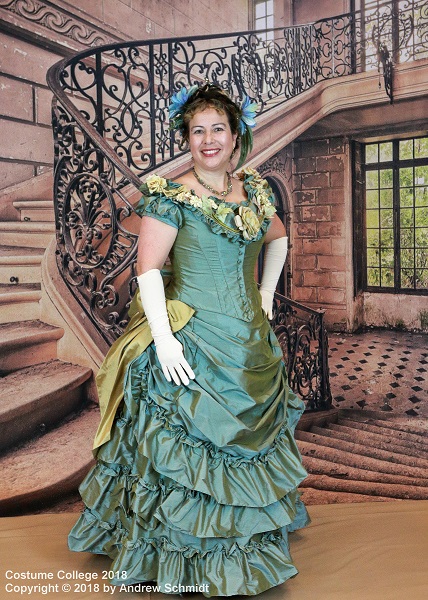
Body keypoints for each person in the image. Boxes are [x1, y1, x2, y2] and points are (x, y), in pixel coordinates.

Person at [68, 83, 310, 596]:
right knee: (187, 456)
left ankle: (244, 544)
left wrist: (266, 294)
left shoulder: (255, 190)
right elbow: (148, 270)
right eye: (197, 131)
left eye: (217, 129)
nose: (207, 140)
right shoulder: (170, 196)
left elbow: (279, 236)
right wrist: (164, 340)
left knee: (246, 447)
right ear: (187, 138)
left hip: (249, 345)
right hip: (192, 340)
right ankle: (183, 559)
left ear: (234, 134)